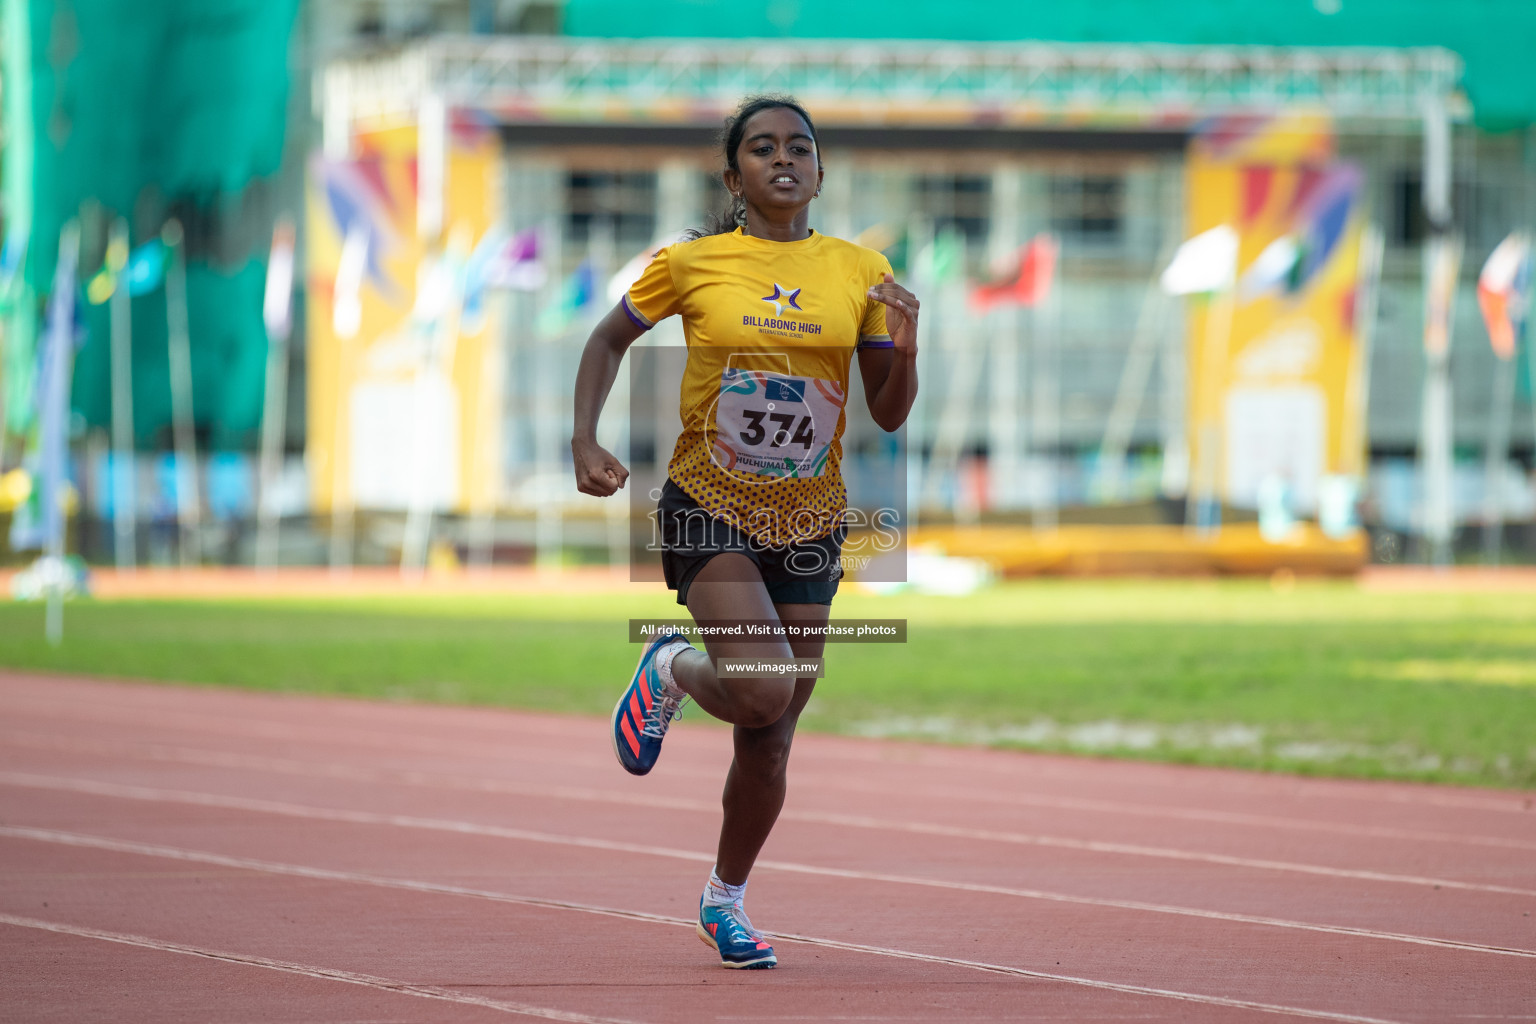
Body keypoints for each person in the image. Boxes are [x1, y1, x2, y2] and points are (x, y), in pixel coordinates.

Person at [570, 94, 919, 970]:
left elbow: (886, 414)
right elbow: (607, 341)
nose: (783, 159)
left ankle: (724, 899)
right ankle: (672, 666)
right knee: (761, 689)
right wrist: (585, 437)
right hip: (709, 501)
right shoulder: (690, 264)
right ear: (735, 177)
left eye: (798, 146)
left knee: (773, 730)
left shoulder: (860, 271)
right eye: (762, 149)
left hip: (809, 517)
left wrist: (906, 352)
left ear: (819, 170)